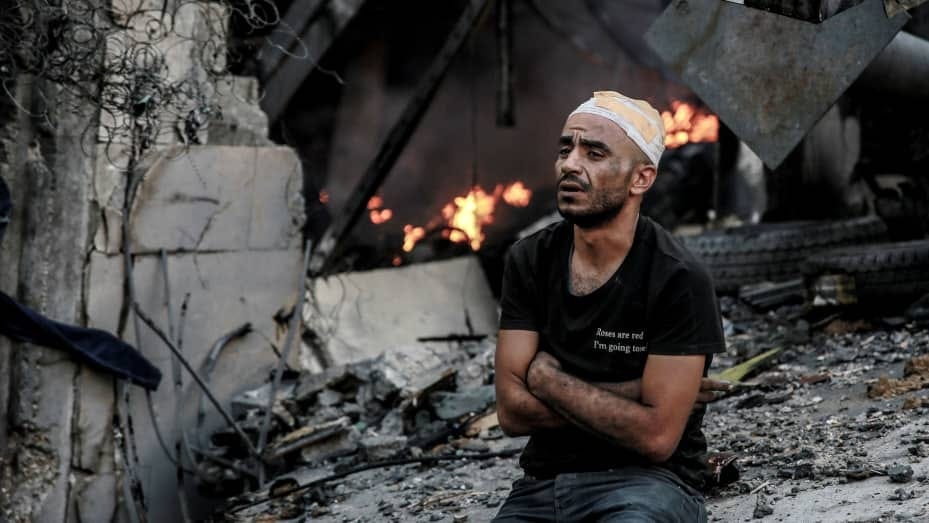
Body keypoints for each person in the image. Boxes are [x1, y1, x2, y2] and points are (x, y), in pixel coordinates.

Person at [493, 91, 729, 522]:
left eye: (594, 153)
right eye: (566, 149)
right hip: (541, 485)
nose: (570, 164)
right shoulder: (528, 259)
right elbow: (511, 412)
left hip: (649, 484)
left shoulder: (677, 277)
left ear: (641, 178)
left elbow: (656, 437)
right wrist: (635, 393)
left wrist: (545, 380)